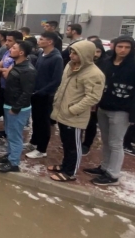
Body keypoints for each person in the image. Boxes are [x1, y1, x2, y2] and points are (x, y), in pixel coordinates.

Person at [48, 41, 105, 183]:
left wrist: (72, 110)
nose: (71, 55)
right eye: (71, 52)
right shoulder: (70, 66)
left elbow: (93, 97)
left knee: (74, 145)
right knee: (66, 143)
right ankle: (65, 165)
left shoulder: (94, 74)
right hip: (62, 112)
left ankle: (70, 172)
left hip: (74, 116)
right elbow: (63, 86)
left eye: (75, 53)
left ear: (85, 55)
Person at [83, 36, 135, 186]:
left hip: (122, 110)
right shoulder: (107, 63)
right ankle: (104, 167)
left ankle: (113, 174)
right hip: (103, 107)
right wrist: (95, 103)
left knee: (116, 142)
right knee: (105, 140)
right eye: (120, 46)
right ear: (114, 47)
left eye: (127, 47)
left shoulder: (132, 65)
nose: (123, 50)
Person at [0, 41, 37, 173]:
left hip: (17, 108)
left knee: (15, 136)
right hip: (9, 104)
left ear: (21, 53)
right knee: (10, 133)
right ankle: (10, 155)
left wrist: (16, 108)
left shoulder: (27, 70)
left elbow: (27, 92)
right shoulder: (16, 65)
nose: (10, 50)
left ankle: (14, 163)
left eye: (14, 48)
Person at [26, 31, 64, 159]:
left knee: (44, 122)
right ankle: (34, 142)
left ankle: (42, 149)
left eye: (42, 39)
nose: (39, 41)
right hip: (36, 93)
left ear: (50, 42)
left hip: (45, 95)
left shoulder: (56, 58)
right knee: (36, 120)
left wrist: (41, 91)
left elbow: (56, 80)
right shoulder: (42, 54)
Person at [0, 30, 23, 144]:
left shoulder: (20, 58)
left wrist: (4, 70)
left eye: (10, 41)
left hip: (13, 90)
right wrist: (4, 70)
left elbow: (6, 74)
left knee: (13, 115)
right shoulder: (7, 53)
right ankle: (6, 132)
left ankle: (11, 140)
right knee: (5, 113)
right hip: (3, 87)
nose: (6, 43)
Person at [82, 38, 108, 155]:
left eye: (98, 51)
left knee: (91, 123)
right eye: (94, 51)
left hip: (95, 99)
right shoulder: (84, 62)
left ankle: (86, 144)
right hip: (81, 96)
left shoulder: (105, 64)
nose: (96, 54)